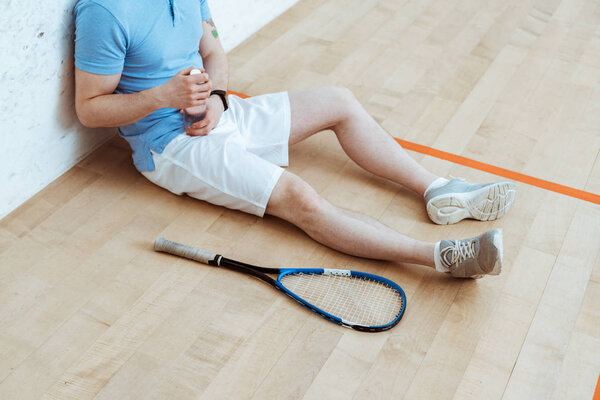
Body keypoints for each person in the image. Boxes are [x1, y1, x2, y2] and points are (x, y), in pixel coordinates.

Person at [73, 0, 516, 278]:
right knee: (299, 197)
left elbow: (214, 53)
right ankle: (443, 257)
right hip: (171, 146)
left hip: (217, 113)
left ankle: (438, 190)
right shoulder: (104, 11)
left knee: (339, 101)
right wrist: (162, 95)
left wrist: (221, 98)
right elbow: (89, 108)